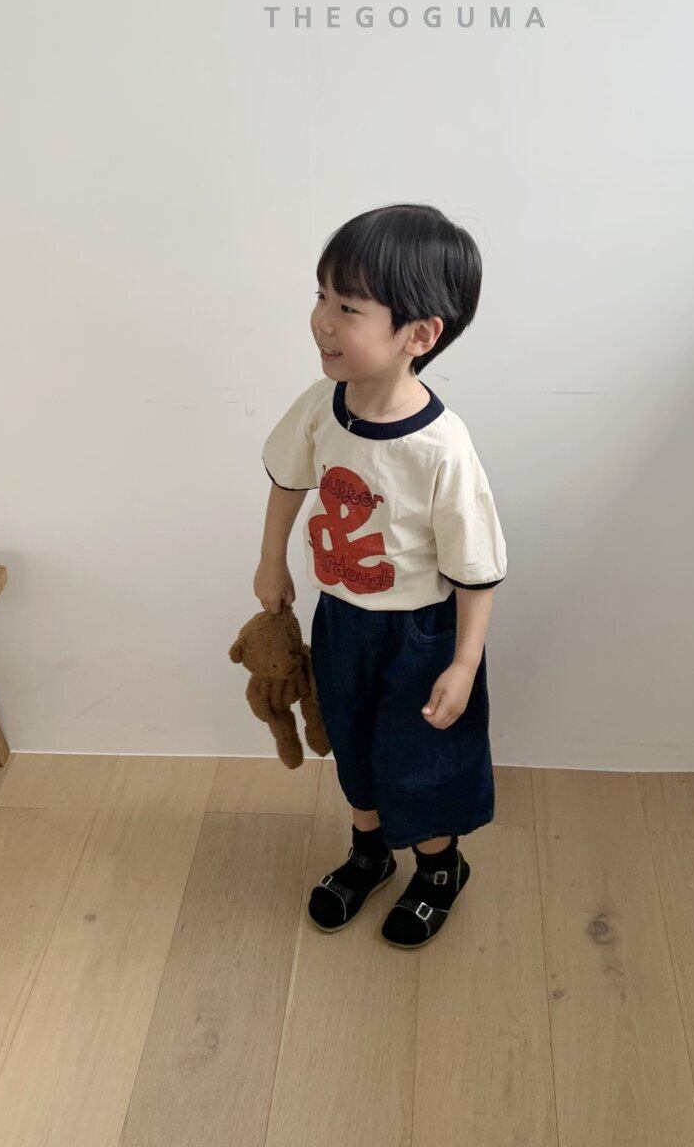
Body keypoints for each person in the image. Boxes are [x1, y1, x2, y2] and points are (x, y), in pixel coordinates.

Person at [253, 203, 507, 949]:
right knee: (352, 741)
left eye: (349, 308)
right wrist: (271, 559)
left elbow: (477, 570)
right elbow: (288, 481)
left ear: (419, 335)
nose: (322, 321)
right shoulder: (321, 406)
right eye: (322, 296)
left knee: (420, 759)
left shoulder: (441, 449)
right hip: (343, 619)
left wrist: (463, 663)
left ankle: (439, 868)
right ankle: (369, 853)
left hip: (421, 634)